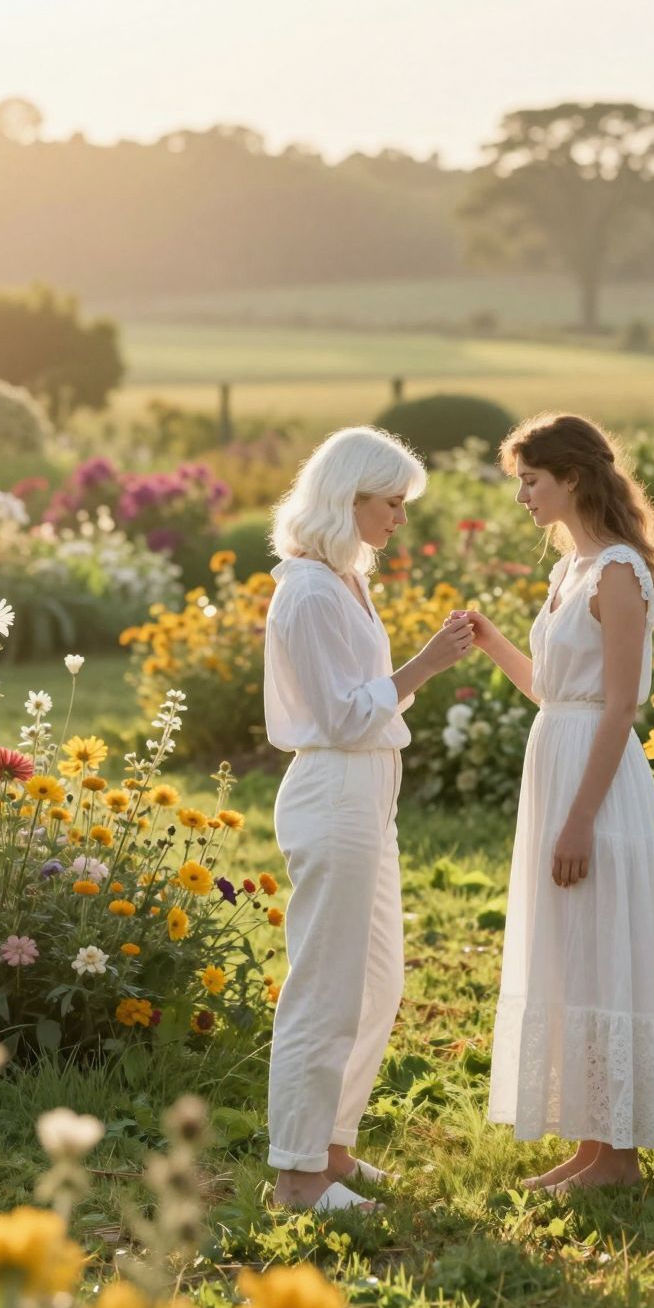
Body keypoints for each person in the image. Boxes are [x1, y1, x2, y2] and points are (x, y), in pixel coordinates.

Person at [456, 413, 654, 1190]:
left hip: (597, 785)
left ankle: (623, 1156)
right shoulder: (568, 573)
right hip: (558, 756)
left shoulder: (619, 573)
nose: (522, 498)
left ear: (570, 478)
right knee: (571, 950)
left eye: (530, 481)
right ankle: (592, 1143)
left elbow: (618, 706)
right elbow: (551, 692)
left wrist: (578, 818)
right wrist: (491, 640)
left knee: (604, 947)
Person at [265, 425, 473, 1213]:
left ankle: (332, 1148)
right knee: (327, 986)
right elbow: (344, 716)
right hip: (333, 792)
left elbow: (369, 704)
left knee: (376, 981)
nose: (400, 518)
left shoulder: (346, 581)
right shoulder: (309, 591)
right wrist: (427, 662)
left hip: (367, 796)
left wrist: (419, 665)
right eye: (391, 503)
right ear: (345, 498)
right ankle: (296, 1174)